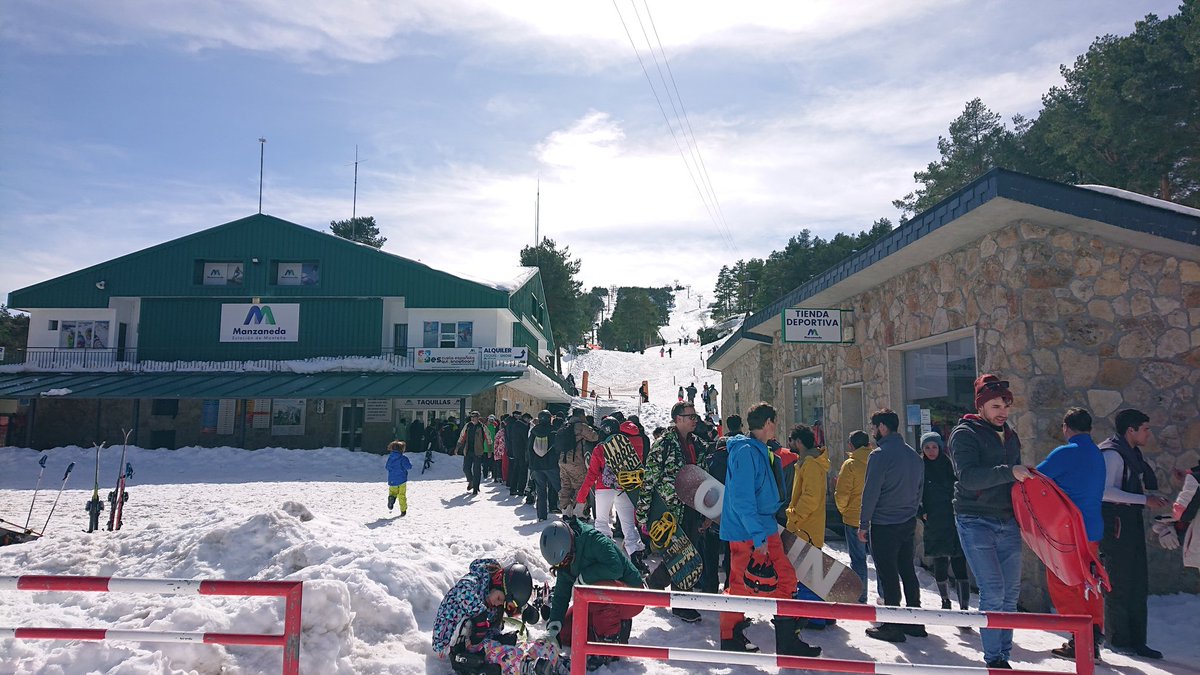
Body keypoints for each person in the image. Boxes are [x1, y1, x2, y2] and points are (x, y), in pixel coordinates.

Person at [719, 402, 820, 656]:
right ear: (767, 423)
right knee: (762, 582)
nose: (776, 426)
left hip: (759, 529)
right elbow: (742, 499)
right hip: (752, 532)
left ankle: (737, 637)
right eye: (774, 421)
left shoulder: (757, 449)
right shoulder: (746, 451)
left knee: (760, 582)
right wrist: (758, 535)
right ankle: (740, 638)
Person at [949, 375, 1031, 669]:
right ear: (981, 406)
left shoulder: (1009, 435)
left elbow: (1011, 476)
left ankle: (1003, 658)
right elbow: (968, 477)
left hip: (1007, 520)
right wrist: (1010, 471)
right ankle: (993, 660)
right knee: (993, 590)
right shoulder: (964, 433)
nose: (1003, 412)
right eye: (996, 405)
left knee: (1010, 594)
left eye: (1006, 406)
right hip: (974, 519)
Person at [1099, 408, 1170, 659]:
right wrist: (1144, 500)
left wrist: (1147, 500)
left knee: (1137, 582)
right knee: (1118, 582)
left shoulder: (1132, 454)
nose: (1149, 433)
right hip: (1115, 524)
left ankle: (1138, 640)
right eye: (1145, 429)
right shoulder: (1113, 455)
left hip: (1131, 521)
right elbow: (1105, 492)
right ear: (1131, 430)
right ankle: (1117, 640)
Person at [1035, 407, 1106, 660]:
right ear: (1090, 429)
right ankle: (1094, 634)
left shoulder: (1065, 452)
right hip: (1093, 530)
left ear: (1066, 427)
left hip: (1068, 532)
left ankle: (1079, 638)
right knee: (1090, 582)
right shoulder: (1097, 454)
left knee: (1064, 583)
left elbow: (1034, 478)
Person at [539, 520, 645, 671]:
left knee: (596, 593)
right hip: (595, 599)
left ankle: (607, 647)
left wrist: (584, 577)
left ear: (571, 546)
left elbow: (616, 568)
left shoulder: (594, 540)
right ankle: (614, 629)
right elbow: (562, 593)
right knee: (566, 632)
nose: (563, 566)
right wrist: (554, 626)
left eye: (565, 561)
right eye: (559, 565)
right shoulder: (565, 561)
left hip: (631, 595)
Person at [858, 409, 925, 643]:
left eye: (874, 427)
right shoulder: (914, 455)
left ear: (883, 427)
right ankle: (915, 621)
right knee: (907, 569)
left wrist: (863, 523)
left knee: (888, 574)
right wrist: (910, 512)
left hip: (884, 523)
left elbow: (871, 493)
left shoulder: (879, 455)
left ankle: (892, 624)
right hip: (907, 521)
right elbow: (919, 490)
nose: (873, 432)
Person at [636, 401, 704, 621]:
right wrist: (643, 514)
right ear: (678, 419)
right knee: (682, 554)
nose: (695, 420)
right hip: (671, 510)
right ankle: (681, 604)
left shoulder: (697, 444)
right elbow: (649, 480)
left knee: (686, 552)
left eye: (695, 416)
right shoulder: (663, 444)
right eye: (690, 416)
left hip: (692, 507)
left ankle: (655, 583)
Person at [432, 559, 558, 675]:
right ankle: (528, 667)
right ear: (497, 580)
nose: (498, 603)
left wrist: (499, 638)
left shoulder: (492, 603)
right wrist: (479, 616)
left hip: (478, 645)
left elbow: (487, 630)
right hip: (452, 646)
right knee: (505, 655)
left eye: (501, 602)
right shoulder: (474, 581)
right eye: (499, 598)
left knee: (534, 647)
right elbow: (463, 591)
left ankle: (553, 660)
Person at [577, 418, 648, 569]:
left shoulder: (600, 448)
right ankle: (636, 559)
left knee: (601, 523)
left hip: (603, 489)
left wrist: (581, 496)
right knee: (629, 526)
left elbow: (592, 474)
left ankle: (605, 556)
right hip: (624, 489)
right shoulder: (627, 446)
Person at [918, 431, 969, 613]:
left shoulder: (950, 465)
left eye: (934, 447)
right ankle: (945, 601)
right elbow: (914, 493)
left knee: (959, 562)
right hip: (935, 520)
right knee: (940, 561)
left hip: (953, 518)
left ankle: (964, 607)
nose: (931, 451)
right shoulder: (920, 468)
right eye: (927, 447)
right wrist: (921, 512)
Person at [835, 430, 871, 603]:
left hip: (854, 518)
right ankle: (885, 596)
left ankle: (860, 596)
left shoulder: (850, 464)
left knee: (858, 559)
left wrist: (844, 510)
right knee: (881, 560)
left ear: (851, 445)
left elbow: (842, 493)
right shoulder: (876, 459)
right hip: (876, 518)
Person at [784, 424, 829, 548]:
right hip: (804, 528)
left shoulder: (811, 464)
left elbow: (811, 497)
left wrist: (794, 516)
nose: (788, 443)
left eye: (790, 439)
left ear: (798, 441)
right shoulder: (805, 462)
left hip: (806, 530)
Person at [558, 409, 598, 519]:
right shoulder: (581, 426)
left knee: (565, 486)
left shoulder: (565, 426)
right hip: (576, 461)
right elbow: (594, 436)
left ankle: (566, 511)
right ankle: (578, 512)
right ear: (581, 415)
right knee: (580, 486)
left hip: (562, 461)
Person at [528, 410, 561, 522]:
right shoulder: (553, 431)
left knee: (541, 491)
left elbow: (529, 449)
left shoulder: (534, 431)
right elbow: (558, 448)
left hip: (537, 466)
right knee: (560, 488)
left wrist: (531, 465)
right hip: (552, 465)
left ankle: (541, 516)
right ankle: (568, 511)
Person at [457, 411, 487, 495]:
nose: (473, 418)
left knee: (476, 470)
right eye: (472, 417)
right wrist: (457, 447)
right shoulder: (468, 426)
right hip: (468, 450)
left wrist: (489, 450)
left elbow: (488, 438)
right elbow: (462, 436)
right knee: (466, 468)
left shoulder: (482, 427)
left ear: (478, 418)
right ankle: (471, 481)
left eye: (475, 417)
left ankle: (476, 488)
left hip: (478, 451)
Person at [506, 413, 531, 500]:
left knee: (515, 470)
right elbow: (526, 440)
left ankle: (513, 488)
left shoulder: (514, 425)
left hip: (515, 451)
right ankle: (521, 489)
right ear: (526, 419)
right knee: (523, 471)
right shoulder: (523, 427)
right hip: (523, 452)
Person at [385, 440, 412, 516]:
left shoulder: (390, 458)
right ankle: (403, 510)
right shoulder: (403, 458)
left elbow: (387, 467)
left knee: (393, 492)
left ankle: (391, 498)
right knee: (402, 495)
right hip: (402, 480)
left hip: (392, 479)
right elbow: (408, 467)